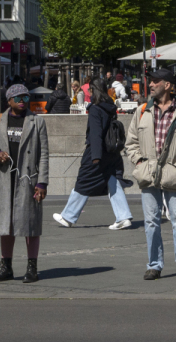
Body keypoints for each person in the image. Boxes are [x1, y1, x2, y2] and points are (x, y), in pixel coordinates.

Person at [127, 68, 176, 280]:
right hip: (148, 173)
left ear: (167, 85)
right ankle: (154, 265)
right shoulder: (142, 111)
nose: (150, 85)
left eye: (155, 81)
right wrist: (140, 162)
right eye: (150, 81)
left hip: (173, 174)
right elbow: (131, 142)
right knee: (151, 222)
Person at [0, 83, 49, 283]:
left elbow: (44, 154)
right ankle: (6, 266)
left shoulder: (37, 122)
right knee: (5, 224)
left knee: (30, 224)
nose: (22, 101)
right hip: (4, 179)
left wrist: (42, 182)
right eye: (18, 98)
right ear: (8, 101)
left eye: (26, 98)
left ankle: (32, 267)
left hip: (28, 180)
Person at [54, 77, 134, 230]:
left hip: (97, 152)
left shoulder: (95, 109)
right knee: (113, 181)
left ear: (92, 91)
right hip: (112, 152)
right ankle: (123, 216)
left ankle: (68, 217)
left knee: (83, 181)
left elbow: (96, 134)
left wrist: (95, 157)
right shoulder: (110, 106)